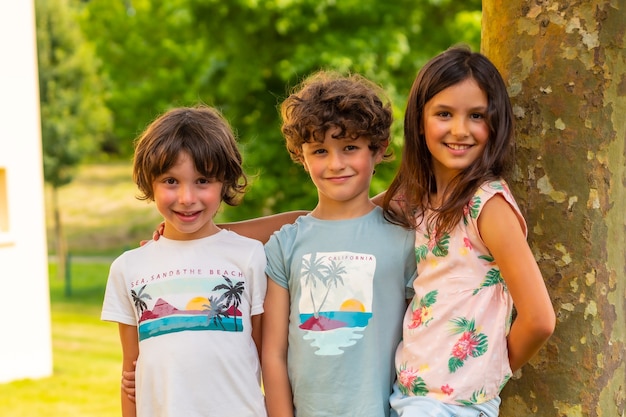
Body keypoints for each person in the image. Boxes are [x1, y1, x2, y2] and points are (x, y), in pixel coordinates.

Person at [380, 45, 555, 416]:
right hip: (408, 396)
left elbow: (539, 319)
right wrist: (228, 233)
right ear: (419, 121)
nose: (460, 130)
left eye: (477, 115)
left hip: (454, 405)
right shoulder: (415, 198)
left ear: (495, 123)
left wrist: (486, 373)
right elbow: (339, 216)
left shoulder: (486, 206)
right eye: (444, 114)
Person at [262, 70, 417, 417]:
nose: (336, 163)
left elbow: (417, 342)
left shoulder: (405, 239)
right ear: (301, 157)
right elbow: (272, 353)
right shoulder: (284, 245)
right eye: (320, 150)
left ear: (377, 150)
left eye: (350, 147)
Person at [101, 105, 268, 417]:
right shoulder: (128, 268)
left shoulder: (249, 256)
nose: (187, 197)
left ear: (225, 183)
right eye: (170, 181)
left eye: (203, 180)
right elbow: (131, 376)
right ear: (149, 183)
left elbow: (266, 357)